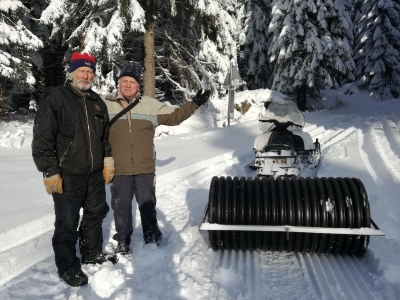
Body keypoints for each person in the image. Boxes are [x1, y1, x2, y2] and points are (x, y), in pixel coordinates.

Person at [102, 62, 210, 255]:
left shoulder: (150, 105)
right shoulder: (106, 104)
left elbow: (175, 117)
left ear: (138, 85)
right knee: (120, 206)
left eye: (132, 82)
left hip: (145, 166)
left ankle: (152, 236)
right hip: (119, 168)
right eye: (124, 81)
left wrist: (194, 104)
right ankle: (123, 240)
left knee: (147, 204)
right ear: (119, 83)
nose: (127, 85)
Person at [32, 52, 116, 287]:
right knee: (67, 222)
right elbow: (42, 138)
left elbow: (105, 139)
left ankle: (90, 252)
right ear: (72, 72)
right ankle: (68, 266)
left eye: (90, 71)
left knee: (95, 214)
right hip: (67, 175)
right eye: (82, 70)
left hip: (94, 175)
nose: (86, 75)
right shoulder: (56, 98)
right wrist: (49, 170)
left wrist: (108, 162)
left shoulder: (97, 101)